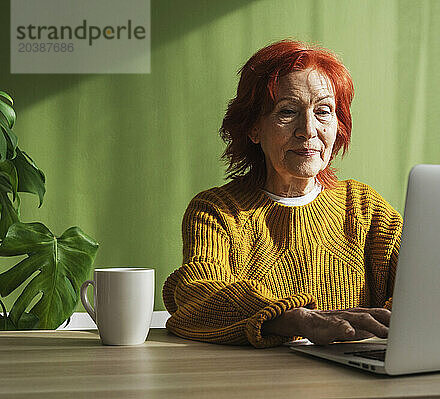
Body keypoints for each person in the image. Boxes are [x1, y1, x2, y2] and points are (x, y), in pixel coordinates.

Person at [162, 39, 403, 348]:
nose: (308, 129)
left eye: (324, 111)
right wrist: (297, 319)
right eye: (287, 111)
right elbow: (196, 295)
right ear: (254, 128)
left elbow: (428, 282)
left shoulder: (365, 207)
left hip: (356, 380)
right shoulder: (218, 211)